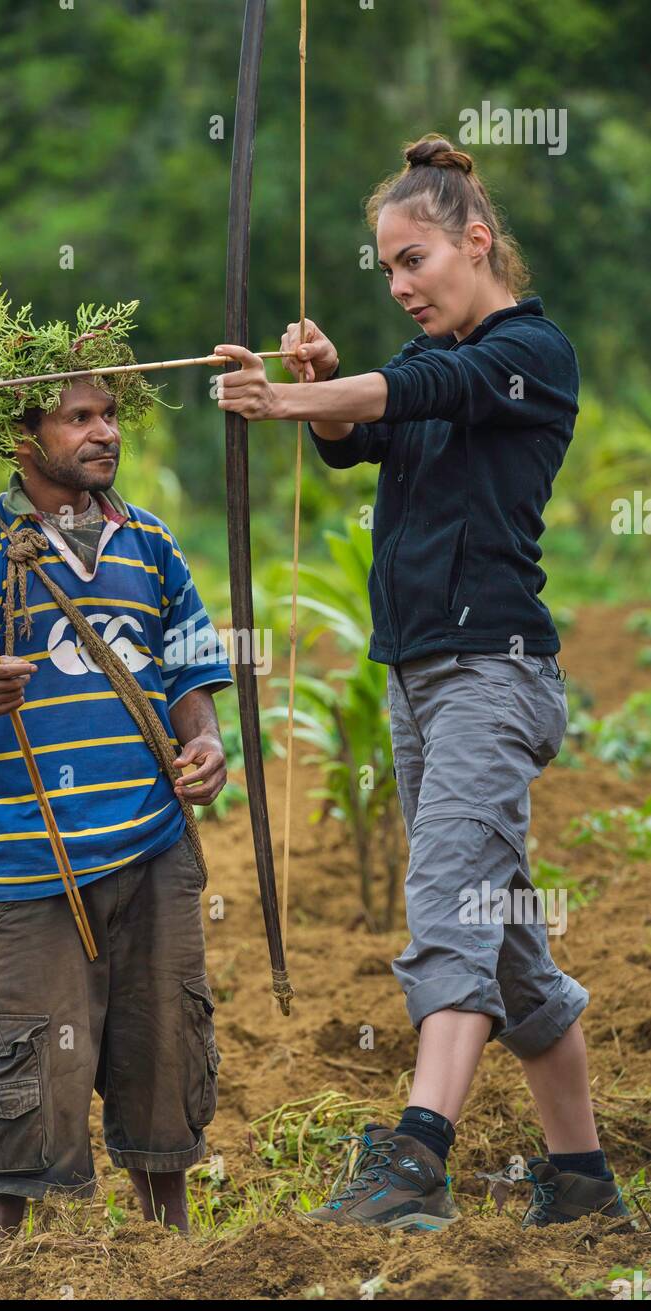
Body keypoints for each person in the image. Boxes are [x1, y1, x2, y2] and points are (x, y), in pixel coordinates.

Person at [213, 134, 635, 1232]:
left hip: (493, 676)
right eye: (388, 269)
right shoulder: (437, 369)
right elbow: (373, 433)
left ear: (475, 242)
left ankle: (414, 1159)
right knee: (504, 940)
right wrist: (323, 396)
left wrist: (287, 402)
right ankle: (583, 1179)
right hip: (420, 684)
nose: (400, 286)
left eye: (415, 261)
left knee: (448, 901)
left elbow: (427, 388)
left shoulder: (528, 351)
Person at [0, 269, 232, 1243]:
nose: (103, 432)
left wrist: (203, 748)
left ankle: (170, 1253)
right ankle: (2, 1264)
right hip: (29, 862)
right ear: (21, 436)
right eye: (77, 416)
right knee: (15, 1062)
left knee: (164, 1048)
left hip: (156, 851)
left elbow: (188, 678)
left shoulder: (154, 547)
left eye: (109, 412)